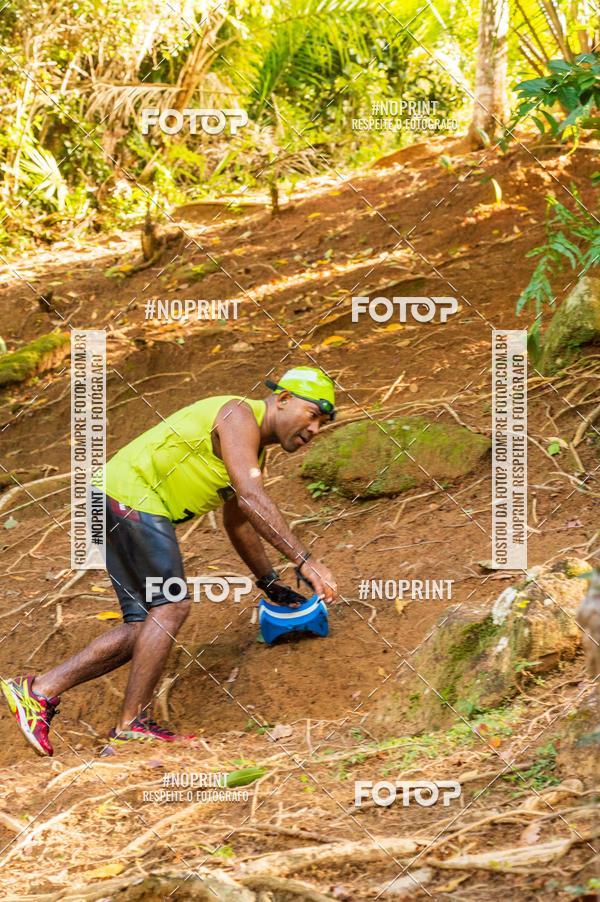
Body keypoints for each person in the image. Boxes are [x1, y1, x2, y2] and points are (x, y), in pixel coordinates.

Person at [1, 366, 338, 756]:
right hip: (129, 497)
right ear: (282, 399)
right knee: (172, 604)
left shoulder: (250, 447)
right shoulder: (237, 416)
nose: (314, 429)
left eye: (322, 423)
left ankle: (37, 691)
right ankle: (132, 726)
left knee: (144, 626)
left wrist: (269, 582)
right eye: (312, 414)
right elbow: (251, 499)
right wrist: (305, 561)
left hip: (107, 499)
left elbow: (239, 521)